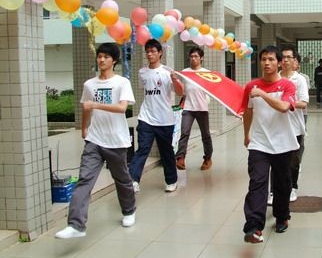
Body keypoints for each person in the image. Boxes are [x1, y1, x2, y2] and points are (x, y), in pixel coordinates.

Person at [55, 43, 136, 239]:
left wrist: (95, 105)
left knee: (122, 180)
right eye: (99, 56)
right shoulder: (89, 84)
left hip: (116, 141)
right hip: (95, 140)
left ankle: (129, 211)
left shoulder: (122, 82)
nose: (101, 60)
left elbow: (122, 108)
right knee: (84, 180)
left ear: (114, 60)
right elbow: (86, 107)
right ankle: (76, 225)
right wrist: (84, 128)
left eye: (106, 57)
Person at [242, 45, 299, 243]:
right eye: (264, 59)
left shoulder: (288, 85)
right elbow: (248, 111)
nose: (267, 63)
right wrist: (246, 134)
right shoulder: (251, 87)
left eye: (271, 59)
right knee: (257, 183)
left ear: (279, 63)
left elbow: (284, 107)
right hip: (259, 143)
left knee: (282, 184)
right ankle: (253, 227)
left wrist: (263, 94)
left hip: (283, 143)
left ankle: (282, 216)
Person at [128, 39, 184, 193]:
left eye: (153, 51)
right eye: (147, 51)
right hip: (146, 117)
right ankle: (133, 180)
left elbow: (180, 92)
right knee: (142, 149)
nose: (149, 54)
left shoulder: (167, 72)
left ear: (160, 53)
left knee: (166, 151)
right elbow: (145, 90)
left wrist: (175, 79)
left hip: (165, 119)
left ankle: (171, 181)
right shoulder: (142, 72)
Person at [175, 46, 213, 171]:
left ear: (201, 58)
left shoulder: (206, 73)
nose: (193, 58)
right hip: (188, 107)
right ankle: (180, 158)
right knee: (184, 133)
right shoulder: (185, 72)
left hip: (202, 108)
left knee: (205, 135)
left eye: (196, 56)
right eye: (191, 56)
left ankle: (208, 158)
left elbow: (213, 89)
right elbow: (180, 89)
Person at [279, 45, 308, 202]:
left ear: (294, 60)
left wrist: (286, 103)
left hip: (295, 127)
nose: (285, 60)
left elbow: (303, 103)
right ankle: (275, 190)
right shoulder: (275, 77)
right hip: (277, 127)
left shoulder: (300, 79)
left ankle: (292, 188)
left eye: (288, 57)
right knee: (277, 161)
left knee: (293, 161)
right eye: (282, 57)